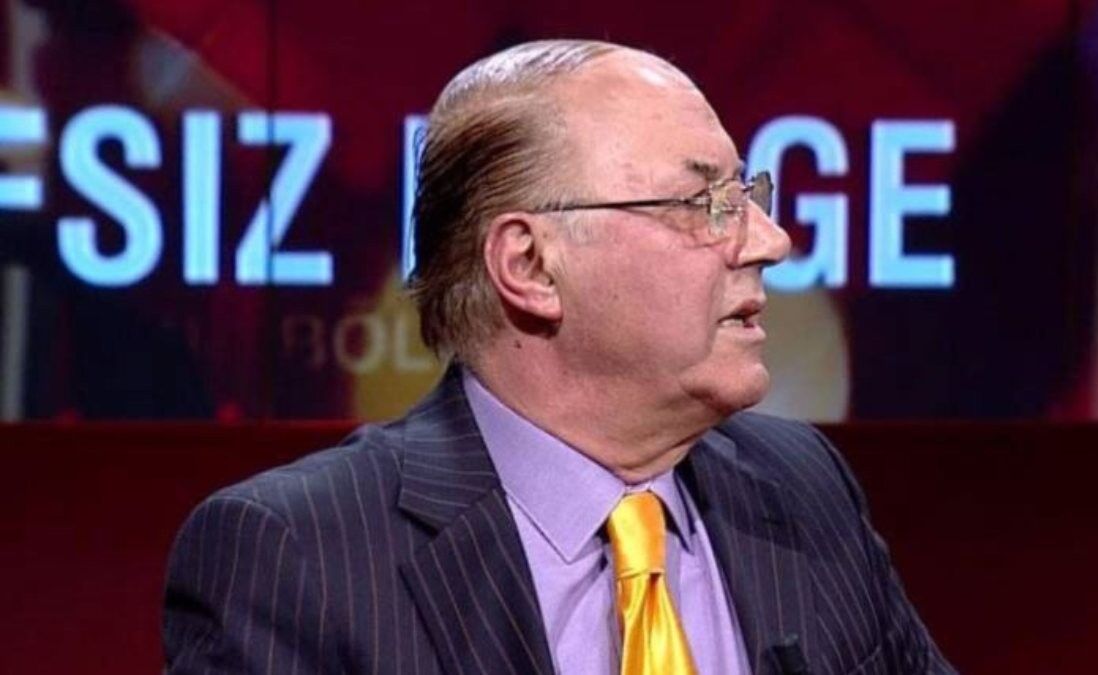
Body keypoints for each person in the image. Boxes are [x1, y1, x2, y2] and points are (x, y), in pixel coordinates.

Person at [163, 39, 955, 675]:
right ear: (532, 266)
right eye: (705, 203)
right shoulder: (299, 556)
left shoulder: (803, 486)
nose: (770, 241)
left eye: (748, 197)